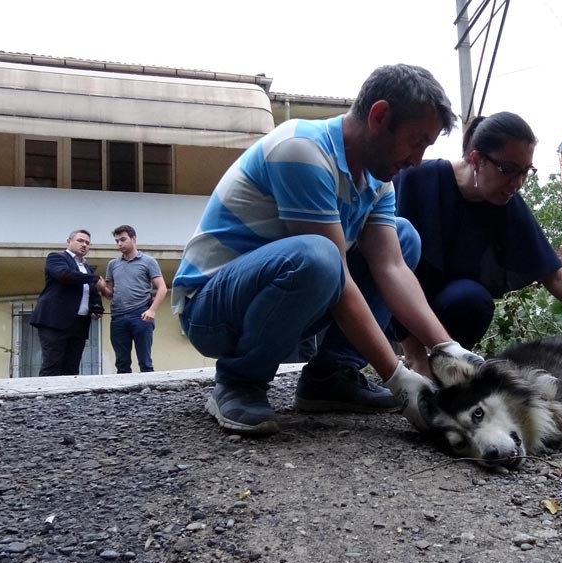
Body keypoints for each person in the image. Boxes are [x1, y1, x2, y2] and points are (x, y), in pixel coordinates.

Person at [172, 64, 483, 435]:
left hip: (283, 294)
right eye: (416, 142)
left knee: (402, 236)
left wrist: (446, 347)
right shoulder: (301, 149)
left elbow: (392, 268)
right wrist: (397, 378)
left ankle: (331, 376)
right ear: (379, 116)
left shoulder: (377, 179)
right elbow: (336, 275)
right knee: (319, 257)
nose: (416, 161)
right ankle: (239, 382)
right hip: (210, 308)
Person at [393, 111, 562, 388]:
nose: (517, 183)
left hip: (444, 308)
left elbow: (554, 273)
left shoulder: (506, 202)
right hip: (391, 300)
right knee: (400, 259)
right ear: (477, 159)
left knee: (472, 299)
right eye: (509, 170)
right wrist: (416, 358)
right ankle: (414, 363)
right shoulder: (416, 179)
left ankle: (444, 368)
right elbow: (387, 268)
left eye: (526, 171)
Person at [29, 230, 106, 376]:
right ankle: (46, 396)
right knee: (52, 364)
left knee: (72, 367)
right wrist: (93, 278)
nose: (84, 245)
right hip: (55, 321)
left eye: (87, 243)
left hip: (80, 323)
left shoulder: (87, 268)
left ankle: (69, 398)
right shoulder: (57, 258)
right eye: (80, 240)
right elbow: (64, 275)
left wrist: (96, 307)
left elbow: (90, 291)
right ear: (68, 242)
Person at [101, 225, 167, 373]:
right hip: (118, 316)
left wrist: (152, 310)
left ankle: (148, 393)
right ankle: (123, 395)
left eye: (123, 240)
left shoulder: (148, 261)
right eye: (117, 241)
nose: (119, 244)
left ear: (133, 239)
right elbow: (109, 293)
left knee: (145, 361)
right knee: (122, 362)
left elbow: (162, 288)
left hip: (141, 315)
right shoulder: (113, 265)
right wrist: (101, 287)